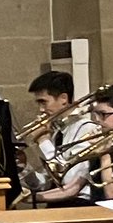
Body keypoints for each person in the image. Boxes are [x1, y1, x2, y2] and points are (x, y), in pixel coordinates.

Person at [24, 70, 99, 206]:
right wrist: (23, 168)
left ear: (64, 99)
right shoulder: (57, 132)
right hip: (58, 202)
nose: (41, 109)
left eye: (44, 102)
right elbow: (45, 182)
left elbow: (68, 179)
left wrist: (43, 141)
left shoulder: (87, 129)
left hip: (79, 204)